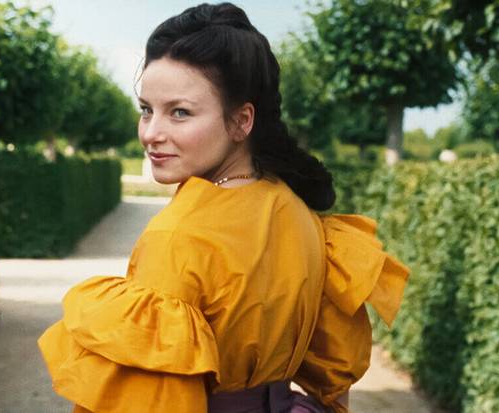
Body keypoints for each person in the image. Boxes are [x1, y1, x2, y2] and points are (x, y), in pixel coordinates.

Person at [37, 3, 410, 412]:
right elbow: (335, 382)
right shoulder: (301, 212)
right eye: (147, 110)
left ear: (241, 121)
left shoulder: (178, 238)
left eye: (180, 112)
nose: (152, 133)